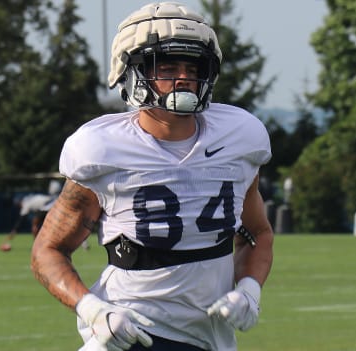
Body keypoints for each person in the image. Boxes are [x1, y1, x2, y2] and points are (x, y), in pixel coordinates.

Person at [31, 3, 274, 350]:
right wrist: (92, 310)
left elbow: (258, 233)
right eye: (167, 66)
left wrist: (250, 289)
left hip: (210, 334)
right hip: (130, 330)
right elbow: (48, 249)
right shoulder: (101, 148)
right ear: (131, 71)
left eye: (193, 66)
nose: (183, 77)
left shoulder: (240, 138)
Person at [0, 180, 93, 251]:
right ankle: (82, 241)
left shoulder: (26, 204)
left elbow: (21, 220)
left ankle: (38, 245)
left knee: (36, 225)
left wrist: (14, 232)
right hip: (48, 206)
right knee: (65, 224)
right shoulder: (30, 200)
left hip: (47, 207)